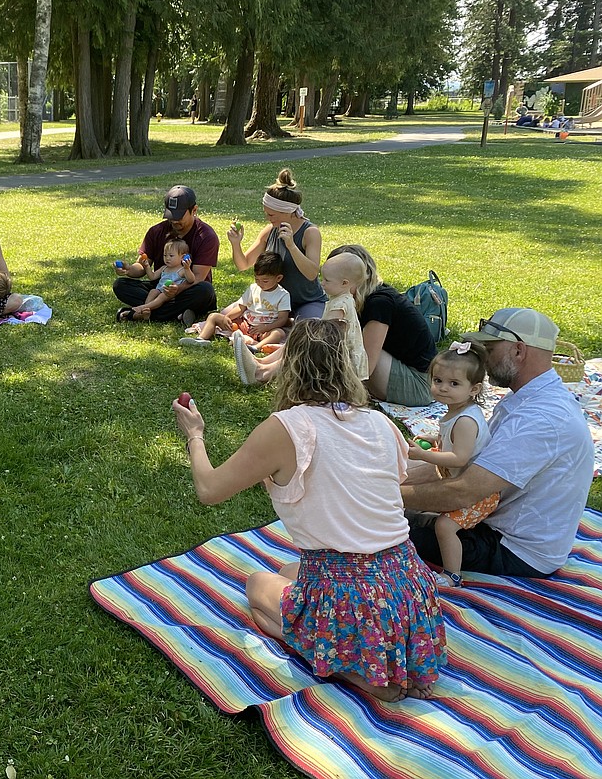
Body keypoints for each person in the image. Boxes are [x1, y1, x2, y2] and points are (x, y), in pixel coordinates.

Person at [174, 319, 446, 701]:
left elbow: (209, 489)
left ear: (290, 364)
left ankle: (363, 674)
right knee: (288, 571)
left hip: (351, 596)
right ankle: (394, 662)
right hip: (408, 587)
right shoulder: (382, 424)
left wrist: (195, 436)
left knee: (256, 586)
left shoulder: (287, 427)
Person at [403, 308, 594, 578]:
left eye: (489, 349)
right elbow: (467, 463)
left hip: (513, 550)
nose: (481, 359)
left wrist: (381, 495)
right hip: (494, 521)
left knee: (378, 526)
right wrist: (395, 481)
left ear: (518, 351)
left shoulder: (541, 418)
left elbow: (464, 491)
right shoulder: (525, 398)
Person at [406, 341, 493, 586]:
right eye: (438, 381)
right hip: (457, 478)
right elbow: (454, 442)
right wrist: (435, 438)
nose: (443, 388)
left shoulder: (465, 420)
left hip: (478, 493)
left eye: (454, 384)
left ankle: (452, 575)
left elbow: (459, 458)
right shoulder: (456, 411)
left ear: (474, 389)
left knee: (444, 526)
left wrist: (423, 455)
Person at [324, 244, 436, 405]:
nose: (325, 284)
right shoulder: (353, 299)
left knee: (350, 345)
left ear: (347, 281)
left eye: (329, 279)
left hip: (420, 385)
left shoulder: (379, 303)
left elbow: (365, 366)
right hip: (400, 369)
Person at [233, 251, 367, 384]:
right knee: (295, 341)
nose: (322, 283)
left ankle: (261, 374)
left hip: (340, 360)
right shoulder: (339, 298)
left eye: (326, 280)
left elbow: (326, 332)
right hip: (331, 350)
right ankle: (260, 362)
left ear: (344, 283)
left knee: (300, 349)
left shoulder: (341, 304)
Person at [226, 168, 327, 319]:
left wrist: (291, 246)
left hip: (306, 301)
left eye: (271, 215)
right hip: (273, 301)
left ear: (288, 212)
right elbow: (244, 264)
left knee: (309, 330)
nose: (268, 218)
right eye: (266, 213)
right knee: (225, 316)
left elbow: (312, 273)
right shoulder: (270, 230)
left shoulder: (310, 232)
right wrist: (236, 243)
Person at [113, 184, 218, 324]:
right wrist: (128, 270)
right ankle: (175, 314)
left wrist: (175, 290)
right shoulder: (156, 232)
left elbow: (198, 278)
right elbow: (142, 266)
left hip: (188, 288)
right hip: (160, 286)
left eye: (179, 216)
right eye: (170, 215)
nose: (174, 220)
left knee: (205, 290)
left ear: (194, 210)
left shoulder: (206, 236)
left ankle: (140, 313)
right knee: (120, 285)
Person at [181, 251, 289, 348]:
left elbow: (282, 319)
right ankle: (201, 339)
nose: (260, 283)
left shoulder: (282, 295)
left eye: (265, 281)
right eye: (257, 279)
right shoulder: (253, 288)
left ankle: (256, 347)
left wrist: (265, 327)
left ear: (278, 278)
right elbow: (241, 308)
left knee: (279, 333)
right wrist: (226, 317)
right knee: (214, 316)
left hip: (264, 330)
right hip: (244, 324)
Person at [130, 240, 198, 320]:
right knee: (153, 291)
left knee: (162, 296)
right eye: (165, 255)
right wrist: (147, 267)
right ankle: (147, 310)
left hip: (172, 293)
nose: (167, 258)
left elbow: (191, 280)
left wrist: (187, 268)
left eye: (171, 256)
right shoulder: (164, 268)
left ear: (182, 257)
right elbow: (152, 277)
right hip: (160, 290)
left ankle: (143, 307)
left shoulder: (182, 270)